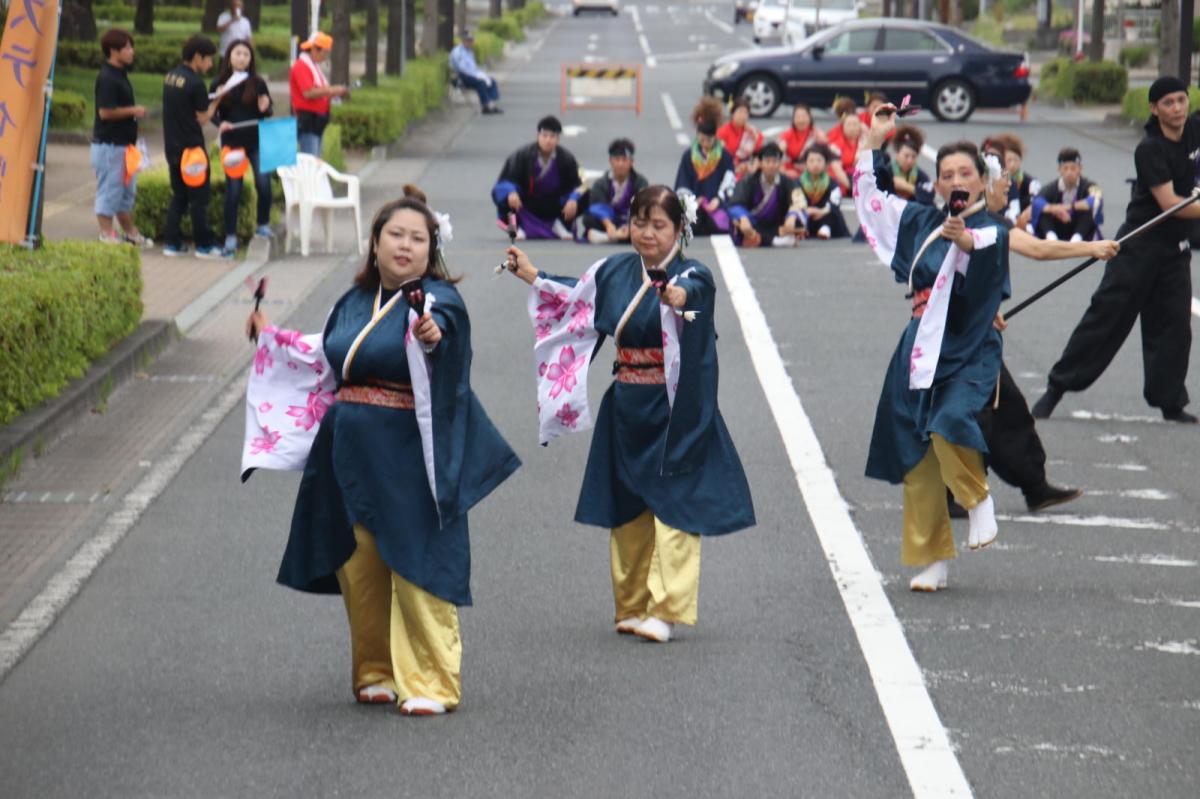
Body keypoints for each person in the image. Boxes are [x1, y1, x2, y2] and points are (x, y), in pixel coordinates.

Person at [241, 189, 521, 715]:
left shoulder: (437, 301)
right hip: (349, 450)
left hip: (409, 452)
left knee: (417, 562)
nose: (405, 245)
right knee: (359, 564)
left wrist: (433, 336)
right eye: (395, 234)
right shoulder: (353, 302)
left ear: (431, 251)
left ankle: (432, 680)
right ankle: (375, 670)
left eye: (418, 238)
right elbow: (328, 354)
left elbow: (444, 336)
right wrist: (271, 338)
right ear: (375, 243)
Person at [854, 105, 1120, 592]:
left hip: (969, 347)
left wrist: (1091, 248)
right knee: (918, 456)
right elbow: (872, 196)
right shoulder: (919, 220)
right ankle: (932, 560)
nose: (956, 180)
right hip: (921, 346)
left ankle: (978, 499)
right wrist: (874, 140)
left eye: (965, 173)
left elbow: (1015, 246)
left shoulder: (991, 228)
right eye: (946, 174)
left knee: (950, 421)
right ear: (937, 184)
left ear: (980, 180)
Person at [501, 185, 755, 643]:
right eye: (639, 223)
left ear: (679, 229)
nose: (647, 233)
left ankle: (667, 608)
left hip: (674, 406)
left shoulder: (692, 273)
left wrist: (678, 297)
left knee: (676, 506)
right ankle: (633, 603)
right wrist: (533, 275)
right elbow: (578, 300)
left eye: (659, 225)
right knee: (628, 509)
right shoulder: (614, 271)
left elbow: (696, 294)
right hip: (626, 402)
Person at [1031, 77, 1199, 425]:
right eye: (1168, 103)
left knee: (1174, 329)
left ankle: (1170, 401)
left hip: (1175, 250)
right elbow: (1171, 203)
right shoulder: (1149, 149)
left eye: (1181, 100)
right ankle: (1056, 388)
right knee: (1106, 318)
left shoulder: (1194, 131)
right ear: (1154, 109)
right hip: (1139, 245)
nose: (1177, 109)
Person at [162, 35, 224, 259]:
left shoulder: (171, 76)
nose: (210, 64)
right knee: (199, 199)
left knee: (179, 195)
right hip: (193, 150)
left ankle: (171, 243)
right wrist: (218, 100)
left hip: (173, 147)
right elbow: (203, 118)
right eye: (208, 59)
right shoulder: (196, 83)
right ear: (197, 57)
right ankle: (204, 246)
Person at [211, 39, 274, 256]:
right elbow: (211, 113)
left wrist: (265, 107)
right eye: (237, 53)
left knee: (264, 184)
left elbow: (267, 110)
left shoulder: (257, 82)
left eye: (246, 54)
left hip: (256, 141)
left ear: (251, 59)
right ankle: (230, 236)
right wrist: (220, 124)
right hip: (232, 143)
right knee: (234, 190)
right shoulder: (219, 83)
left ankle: (263, 224)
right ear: (229, 57)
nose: (242, 58)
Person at [91, 28, 152, 248]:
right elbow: (105, 112)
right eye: (126, 47)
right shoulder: (107, 77)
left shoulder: (120, 74)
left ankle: (130, 233)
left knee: (126, 193)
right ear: (113, 50)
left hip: (124, 146)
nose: (131, 51)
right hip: (110, 146)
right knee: (109, 191)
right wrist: (133, 111)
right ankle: (106, 233)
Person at [492, 115, 584, 240]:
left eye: (552, 136)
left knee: (584, 197)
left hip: (554, 204)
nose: (548, 140)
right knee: (503, 194)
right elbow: (506, 180)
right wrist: (511, 191)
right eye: (544, 136)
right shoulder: (522, 155)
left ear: (558, 139)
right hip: (525, 202)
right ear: (538, 136)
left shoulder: (566, 158)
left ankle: (560, 224)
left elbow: (578, 184)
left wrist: (573, 199)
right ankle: (516, 227)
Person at [674, 97, 735, 236]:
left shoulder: (724, 156)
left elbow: (729, 180)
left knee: (719, 225)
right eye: (702, 139)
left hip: (716, 204)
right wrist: (693, 201)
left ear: (715, 138)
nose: (705, 143)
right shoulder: (689, 156)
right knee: (692, 224)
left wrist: (718, 200)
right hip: (695, 204)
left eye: (709, 140)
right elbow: (682, 183)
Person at [728, 142, 803, 247]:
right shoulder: (749, 181)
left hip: (777, 222)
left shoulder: (787, 181)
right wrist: (743, 217)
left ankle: (766, 239)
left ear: (780, 163)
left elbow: (799, 201)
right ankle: (775, 240)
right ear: (760, 163)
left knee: (799, 220)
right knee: (738, 223)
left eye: (775, 162)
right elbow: (735, 203)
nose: (771, 166)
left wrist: (792, 216)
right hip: (754, 222)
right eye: (767, 162)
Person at [1020, 147, 1103, 242]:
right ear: (1060, 170)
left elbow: (1095, 200)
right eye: (1065, 168)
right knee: (1041, 209)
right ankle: (1051, 238)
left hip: (1079, 229)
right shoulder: (1052, 187)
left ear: (1080, 169)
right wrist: (1055, 209)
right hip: (1057, 227)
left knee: (1089, 210)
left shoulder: (1090, 185)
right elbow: (1037, 202)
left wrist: (1068, 207)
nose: (1069, 172)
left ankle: (1076, 240)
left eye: (1073, 168)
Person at [576, 138, 649, 244]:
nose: (620, 164)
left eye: (624, 160)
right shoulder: (601, 183)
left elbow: (642, 207)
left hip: (630, 221)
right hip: (610, 221)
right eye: (617, 160)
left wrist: (630, 226)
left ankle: (607, 237)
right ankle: (619, 236)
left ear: (631, 162)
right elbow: (598, 208)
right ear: (610, 161)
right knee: (588, 218)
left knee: (646, 222)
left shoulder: (640, 182)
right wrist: (609, 225)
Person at [289, 32, 349, 157]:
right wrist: (333, 90)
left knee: (315, 158)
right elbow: (308, 92)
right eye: (325, 53)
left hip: (317, 121)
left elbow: (320, 91)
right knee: (311, 159)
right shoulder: (301, 67)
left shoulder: (313, 67)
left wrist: (337, 92)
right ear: (314, 49)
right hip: (308, 120)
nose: (325, 57)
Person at [795, 143, 849, 240]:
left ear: (826, 164)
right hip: (808, 215)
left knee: (833, 211)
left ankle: (825, 228)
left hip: (826, 216)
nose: (815, 164)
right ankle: (803, 231)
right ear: (805, 163)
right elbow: (796, 201)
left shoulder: (832, 183)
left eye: (819, 160)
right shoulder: (798, 182)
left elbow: (835, 202)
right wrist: (808, 210)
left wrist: (822, 211)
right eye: (811, 161)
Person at [448, 31, 501, 114]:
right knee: (481, 83)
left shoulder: (469, 51)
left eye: (471, 41)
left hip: (472, 74)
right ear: (463, 41)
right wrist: (476, 76)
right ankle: (485, 106)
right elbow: (462, 68)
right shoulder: (458, 52)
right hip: (462, 76)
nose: (470, 43)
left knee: (491, 81)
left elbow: (473, 67)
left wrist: (480, 74)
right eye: (468, 41)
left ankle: (491, 105)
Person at [995, 133, 1040, 228]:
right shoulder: (997, 179)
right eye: (1009, 160)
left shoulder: (1031, 182)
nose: (1012, 165)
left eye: (1016, 160)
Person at [716, 98, 763, 178]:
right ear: (733, 113)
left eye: (746, 113)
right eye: (740, 112)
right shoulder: (723, 131)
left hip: (747, 168)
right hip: (728, 167)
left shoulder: (752, 131)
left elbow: (758, 151)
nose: (743, 116)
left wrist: (755, 136)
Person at [778, 104, 826, 179]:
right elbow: (778, 155)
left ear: (810, 118)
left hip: (812, 171)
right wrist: (785, 172)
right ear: (793, 119)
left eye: (804, 116)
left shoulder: (817, 134)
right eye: (798, 117)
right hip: (791, 170)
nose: (801, 120)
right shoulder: (787, 135)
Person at [825, 96, 863, 193]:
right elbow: (835, 166)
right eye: (849, 124)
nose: (852, 128)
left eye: (855, 124)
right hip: (843, 177)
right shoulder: (835, 139)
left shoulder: (864, 136)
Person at [890, 124, 934, 205]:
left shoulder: (920, 175)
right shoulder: (886, 171)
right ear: (897, 154)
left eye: (913, 157)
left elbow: (929, 195)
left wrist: (906, 186)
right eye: (906, 156)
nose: (910, 160)